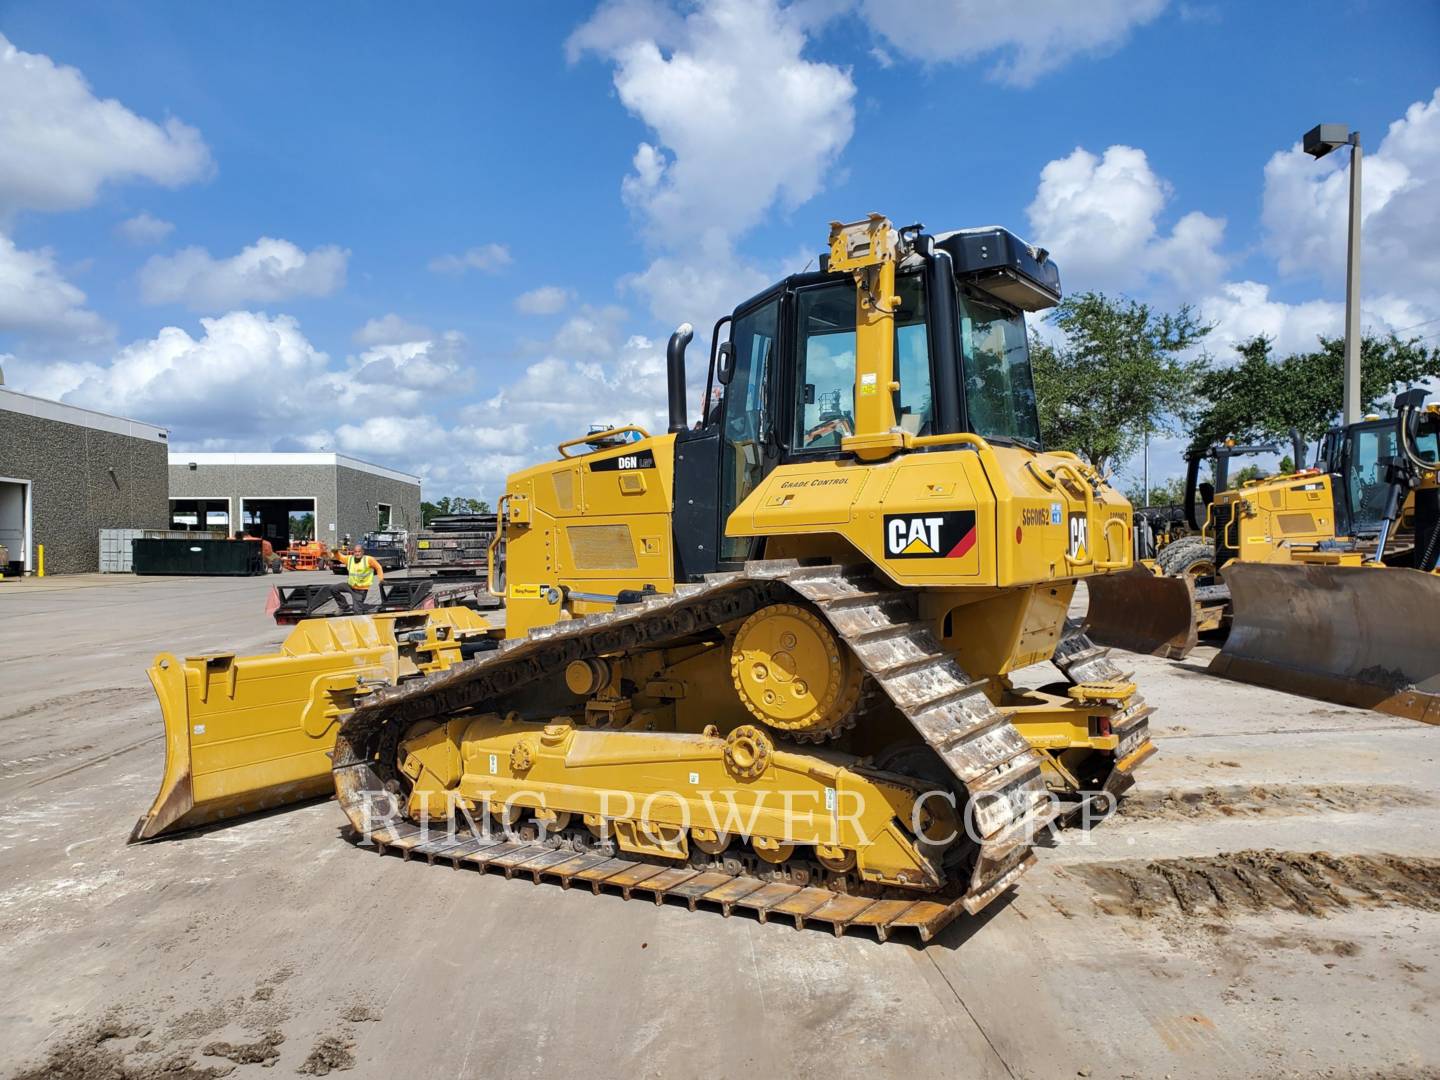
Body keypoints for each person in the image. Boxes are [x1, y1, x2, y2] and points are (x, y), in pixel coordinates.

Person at [345, 543, 384, 613]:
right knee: (334, 588)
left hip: (361, 589)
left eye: (359, 551)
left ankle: (359, 620)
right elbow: (340, 557)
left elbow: (378, 567)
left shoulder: (368, 559)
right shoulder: (350, 559)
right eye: (355, 552)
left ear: (363, 552)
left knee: (357, 609)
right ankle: (343, 607)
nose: (357, 553)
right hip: (351, 586)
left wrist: (381, 579)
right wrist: (335, 552)